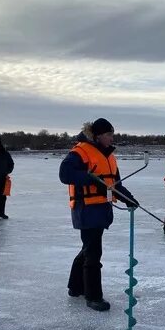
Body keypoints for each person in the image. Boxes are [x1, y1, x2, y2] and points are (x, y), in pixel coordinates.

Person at [59, 118, 138, 312]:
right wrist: (92, 179)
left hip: (101, 209)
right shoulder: (81, 151)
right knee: (93, 252)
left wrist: (129, 199)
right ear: (98, 135)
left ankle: (75, 286)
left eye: (112, 134)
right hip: (85, 209)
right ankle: (93, 296)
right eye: (109, 134)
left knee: (88, 247)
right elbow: (65, 174)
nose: (112, 138)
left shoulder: (109, 156)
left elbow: (115, 184)